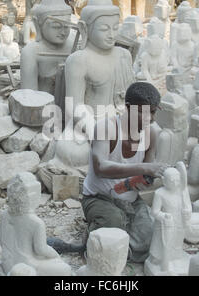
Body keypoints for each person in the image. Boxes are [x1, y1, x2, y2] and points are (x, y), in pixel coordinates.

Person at [81, 82, 170, 263]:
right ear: (128, 108)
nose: (150, 118)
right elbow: (101, 168)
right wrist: (145, 168)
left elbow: (146, 177)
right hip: (99, 197)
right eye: (144, 112)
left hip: (130, 200)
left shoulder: (151, 134)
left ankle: (117, 245)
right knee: (112, 223)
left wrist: (151, 177)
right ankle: (99, 240)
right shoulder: (107, 127)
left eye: (153, 112)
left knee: (151, 237)